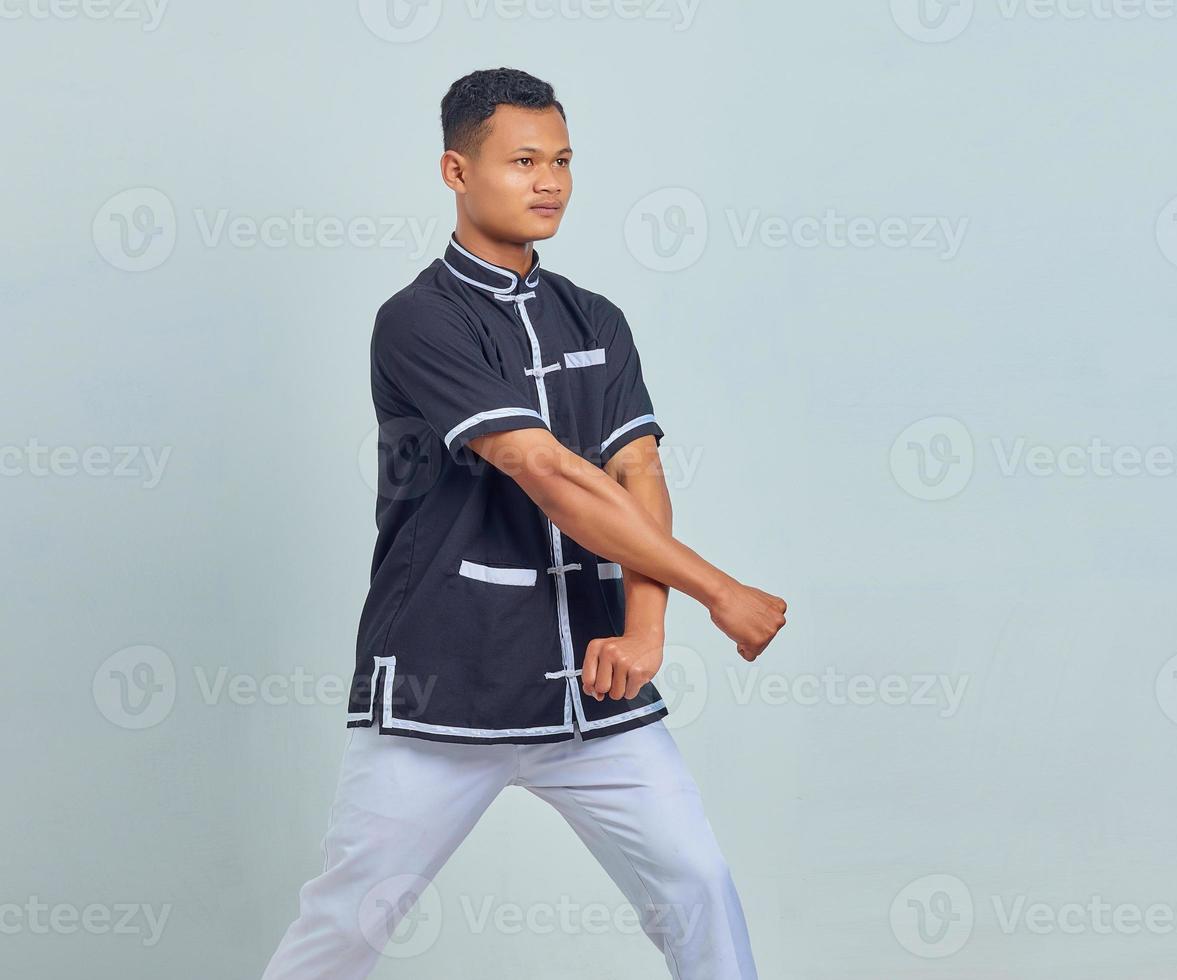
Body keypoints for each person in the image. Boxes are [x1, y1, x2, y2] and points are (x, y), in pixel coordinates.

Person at [260, 67, 786, 979]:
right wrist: (721, 592)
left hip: (594, 688)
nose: (550, 181)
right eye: (524, 160)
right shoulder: (417, 319)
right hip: (441, 684)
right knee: (348, 923)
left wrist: (646, 627)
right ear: (456, 173)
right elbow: (546, 473)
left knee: (698, 887)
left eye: (564, 160)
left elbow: (637, 471)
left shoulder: (597, 316)